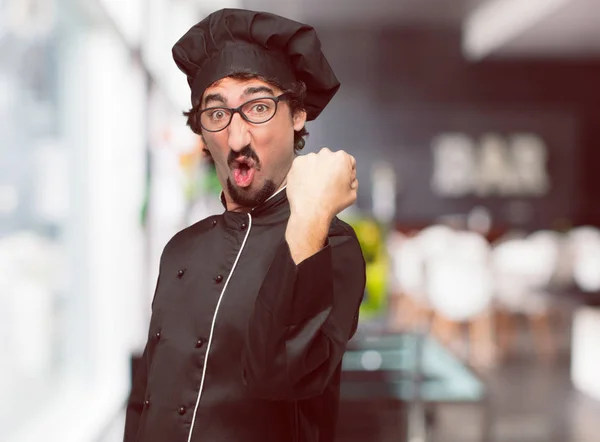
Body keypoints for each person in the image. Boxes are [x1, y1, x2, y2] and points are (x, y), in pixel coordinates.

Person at [124, 8, 366, 442]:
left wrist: (311, 214)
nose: (237, 139)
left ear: (297, 115)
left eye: (257, 107)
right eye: (217, 114)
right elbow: (145, 395)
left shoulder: (333, 245)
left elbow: (279, 374)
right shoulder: (180, 248)